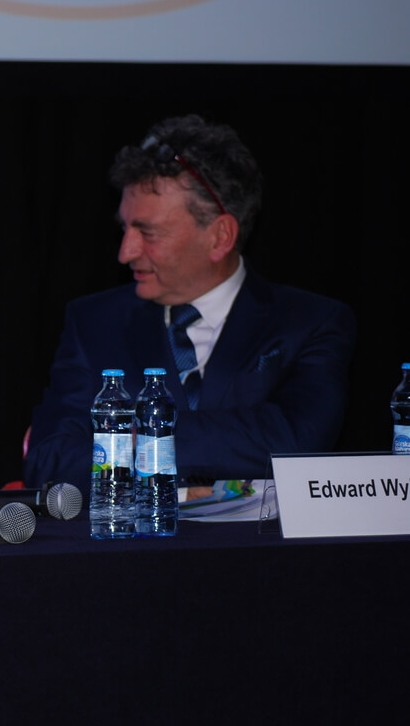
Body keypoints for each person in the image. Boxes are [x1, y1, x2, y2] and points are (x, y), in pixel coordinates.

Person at [23, 114, 356, 495]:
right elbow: (49, 461)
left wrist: (143, 437)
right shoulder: (94, 322)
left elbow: (298, 441)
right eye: (125, 228)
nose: (125, 252)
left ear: (219, 237)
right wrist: (178, 484)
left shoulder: (310, 322)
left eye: (148, 232)